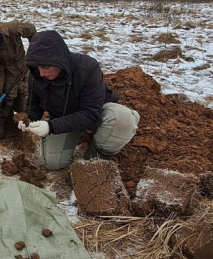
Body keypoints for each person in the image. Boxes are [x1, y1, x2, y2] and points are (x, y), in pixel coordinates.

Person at [18, 30, 140, 170]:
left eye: (46, 67)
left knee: (122, 119)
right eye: (38, 67)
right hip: (65, 119)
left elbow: (90, 112)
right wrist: (29, 118)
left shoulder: (87, 68)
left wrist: (50, 127)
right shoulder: (37, 75)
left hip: (95, 114)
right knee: (51, 163)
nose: (42, 73)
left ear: (59, 61)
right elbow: (34, 104)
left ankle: (95, 159)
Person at [0, 21, 36, 140]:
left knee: (10, 95)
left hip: (15, 63)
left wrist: (34, 48)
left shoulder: (13, 30)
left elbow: (32, 30)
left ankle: (1, 124)